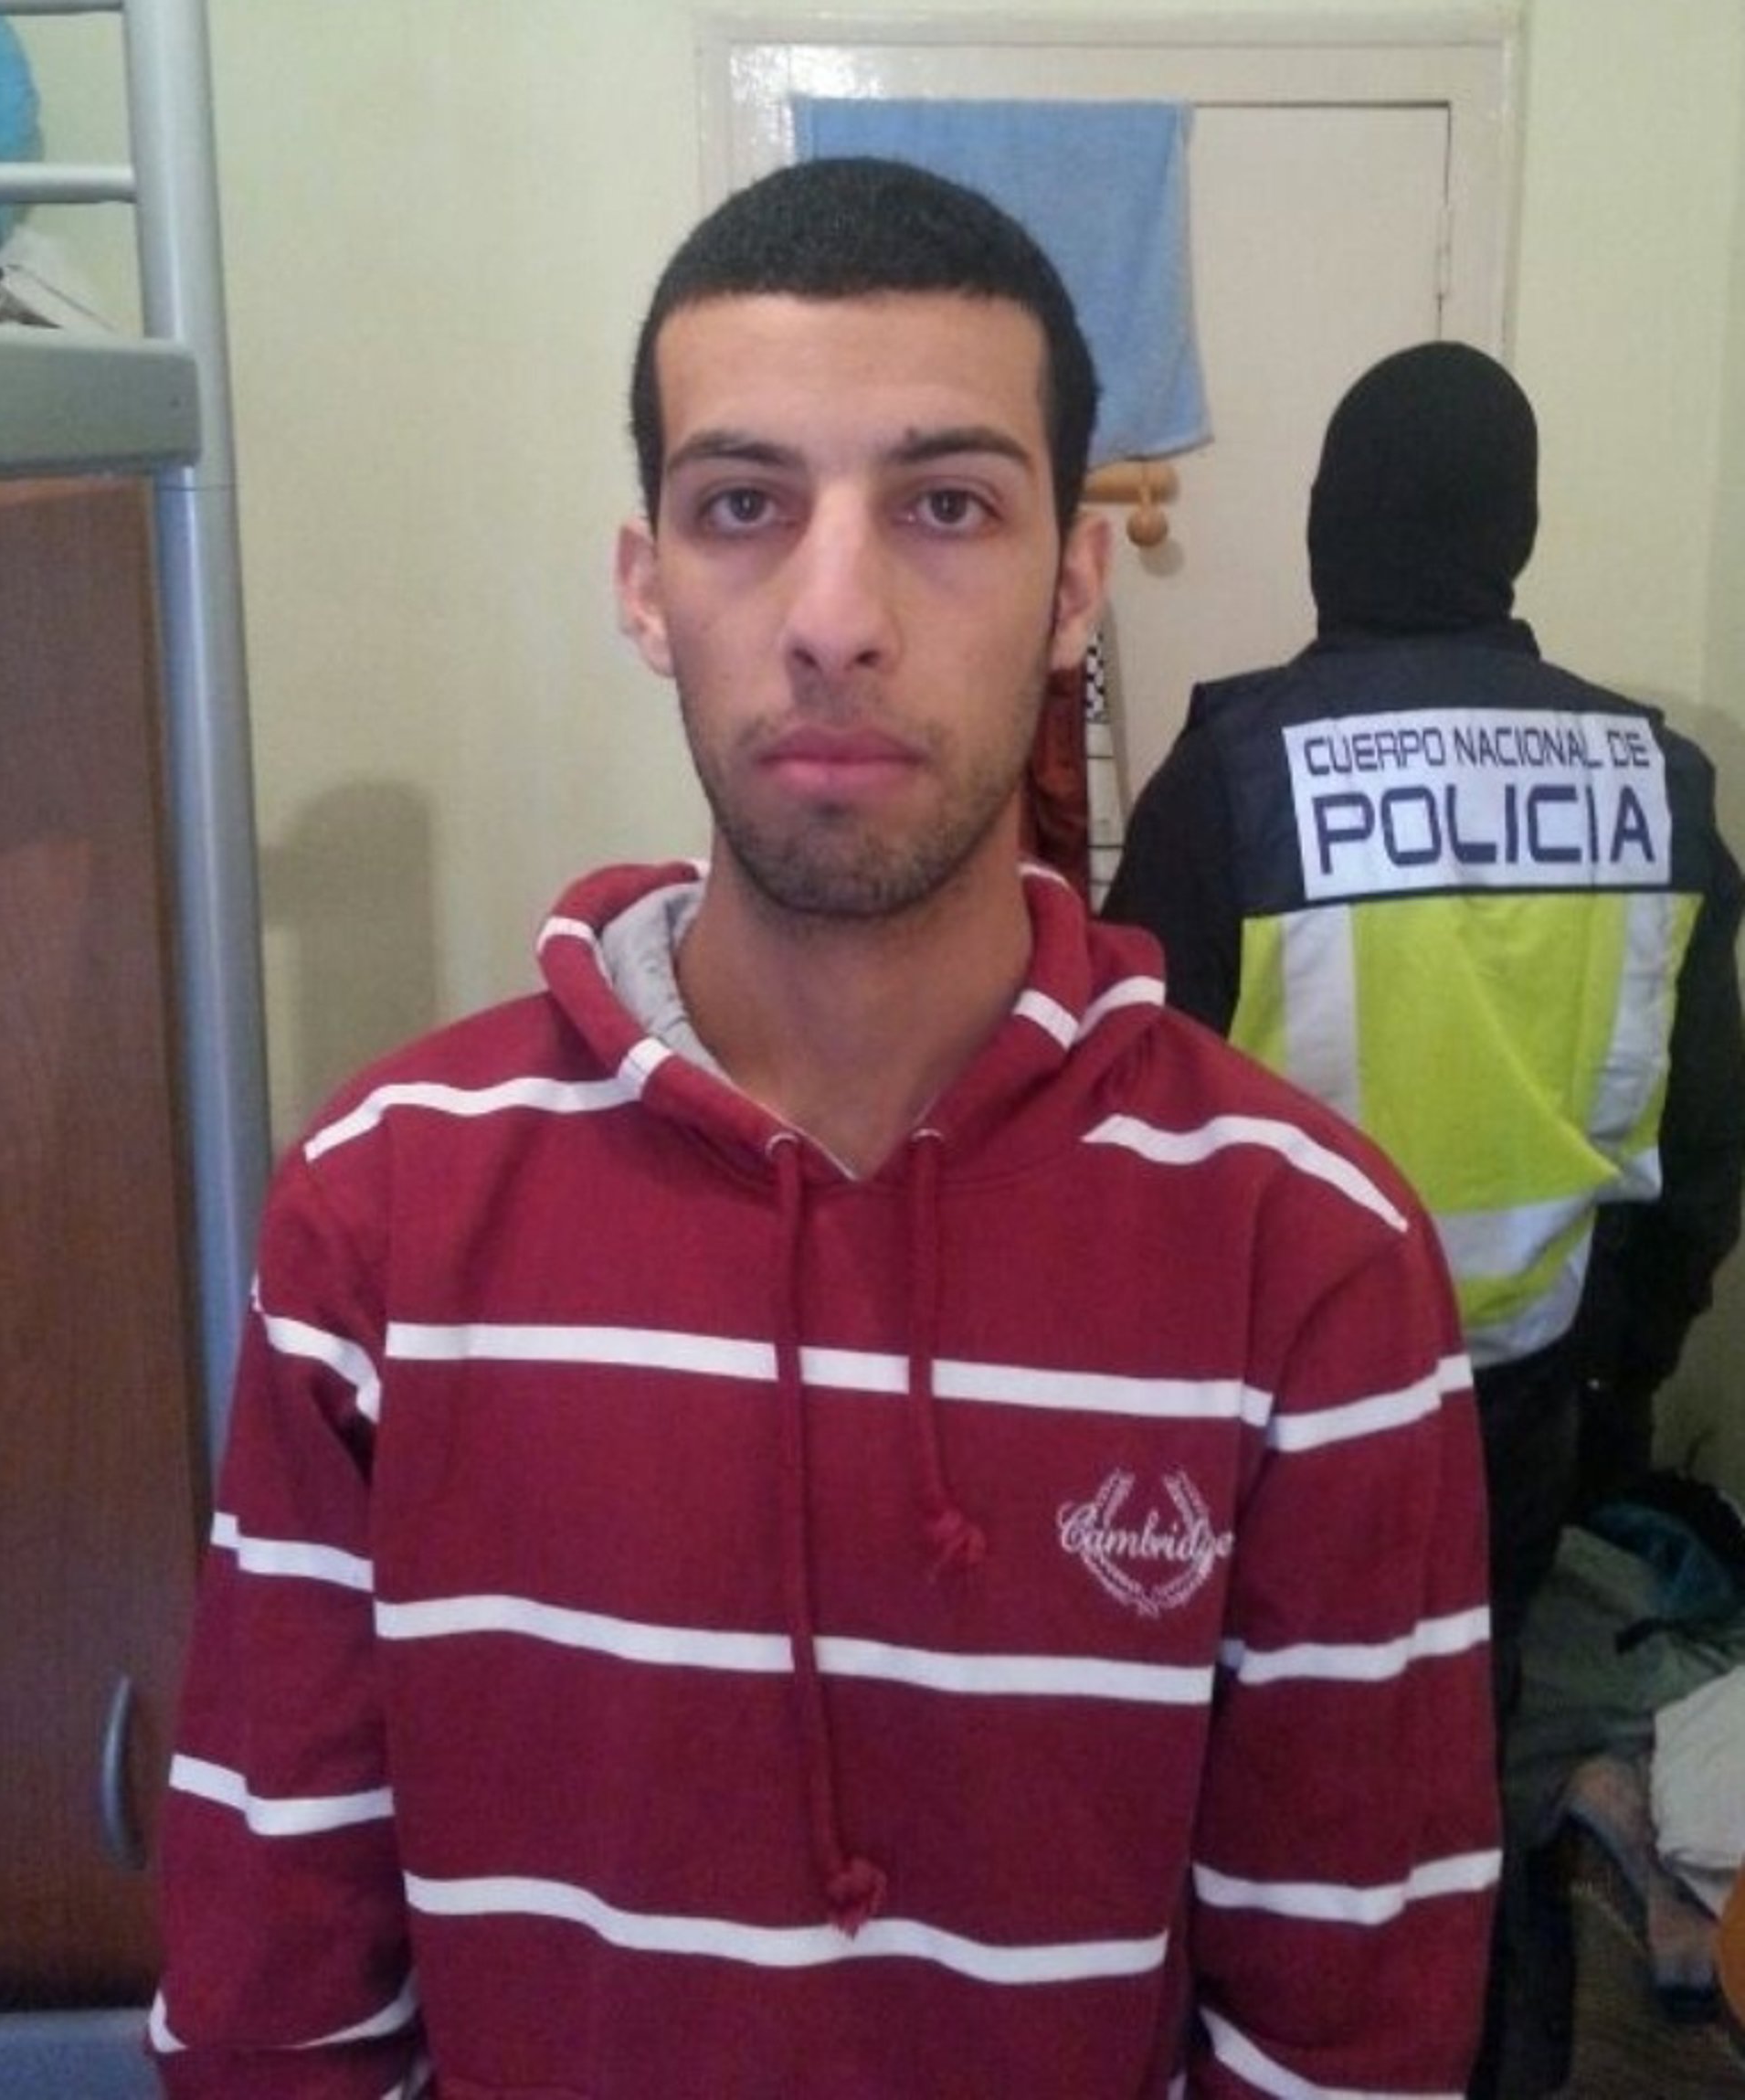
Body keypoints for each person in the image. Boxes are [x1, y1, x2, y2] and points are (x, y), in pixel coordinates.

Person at [150, 160, 1498, 2099]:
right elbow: (275, 2003)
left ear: (1073, 587)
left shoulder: (1314, 1261)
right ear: (646, 587)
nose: (837, 618)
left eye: (946, 506)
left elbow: (1345, 2043)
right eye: (744, 506)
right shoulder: (382, 1209)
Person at [1103, 341, 1745, 1719]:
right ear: (1516, 533)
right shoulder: (1660, 789)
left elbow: (1120, 1144)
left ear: (1328, 523)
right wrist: (1625, 1381)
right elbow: (1703, 1159)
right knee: (1465, 1719)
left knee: (1273, 1732)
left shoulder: (1231, 782)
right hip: (1528, 1397)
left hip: (1287, 1407)